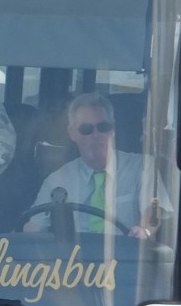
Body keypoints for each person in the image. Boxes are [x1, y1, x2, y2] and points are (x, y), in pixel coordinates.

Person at [24, 92, 170, 240]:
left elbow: (153, 210)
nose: (96, 135)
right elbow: (34, 228)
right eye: (86, 129)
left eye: (103, 127)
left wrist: (144, 230)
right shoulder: (57, 180)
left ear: (112, 129)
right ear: (73, 133)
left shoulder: (142, 167)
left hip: (126, 259)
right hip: (74, 261)